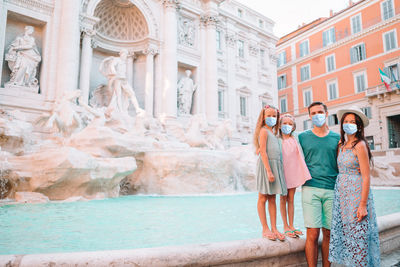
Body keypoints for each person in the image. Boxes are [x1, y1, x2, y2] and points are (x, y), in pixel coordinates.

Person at [329, 106, 380, 266]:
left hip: (357, 195)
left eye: (352, 122)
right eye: (346, 121)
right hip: (342, 196)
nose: (348, 124)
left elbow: (366, 177)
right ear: (342, 124)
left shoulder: (360, 145)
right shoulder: (341, 145)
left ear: (358, 126)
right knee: (348, 236)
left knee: (358, 236)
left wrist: (363, 205)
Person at [298, 101, 340, 267]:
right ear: (309, 116)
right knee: (313, 234)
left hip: (332, 189)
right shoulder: (302, 137)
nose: (317, 115)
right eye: (313, 113)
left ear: (327, 113)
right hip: (310, 188)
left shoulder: (337, 138)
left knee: (329, 233)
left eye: (320, 112)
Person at [254, 105, 287, 241]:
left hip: (275, 165)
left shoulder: (274, 133)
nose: (271, 118)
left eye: (274, 116)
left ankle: (274, 227)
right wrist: (268, 171)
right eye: (268, 115)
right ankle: (265, 228)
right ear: (263, 117)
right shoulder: (263, 131)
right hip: (266, 166)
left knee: (272, 198)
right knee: (263, 197)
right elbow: (262, 151)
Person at [279, 113, 311, 238]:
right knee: (282, 199)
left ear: (293, 127)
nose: (287, 126)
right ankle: (285, 226)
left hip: (292, 171)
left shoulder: (295, 138)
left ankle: (291, 225)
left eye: (290, 124)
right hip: (282, 172)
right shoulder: (277, 139)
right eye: (284, 123)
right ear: (280, 125)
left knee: (291, 199)